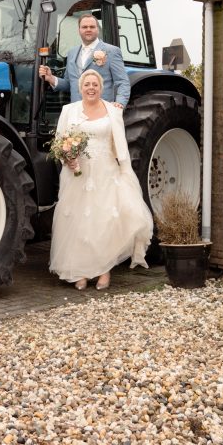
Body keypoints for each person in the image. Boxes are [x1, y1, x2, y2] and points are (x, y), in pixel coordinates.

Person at [49, 69, 153, 290]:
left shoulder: (113, 111)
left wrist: (125, 171)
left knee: (103, 221)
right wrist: (67, 159)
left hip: (105, 172)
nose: (91, 88)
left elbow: (121, 144)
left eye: (95, 84)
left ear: (101, 87)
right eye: (87, 84)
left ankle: (104, 271)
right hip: (77, 174)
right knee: (78, 222)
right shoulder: (69, 111)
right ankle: (80, 271)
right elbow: (59, 142)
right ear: (80, 88)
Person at [39, 14, 130, 109]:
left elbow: (122, 81)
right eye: (84, 27)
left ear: (97, 29)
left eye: (92, 27)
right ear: (79, 30)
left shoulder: (112, 51)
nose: (88, 29)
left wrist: (120, 103)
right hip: (76, 111)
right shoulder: (71, 53)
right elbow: (69, 83)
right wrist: (50, 78)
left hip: (101, 111)